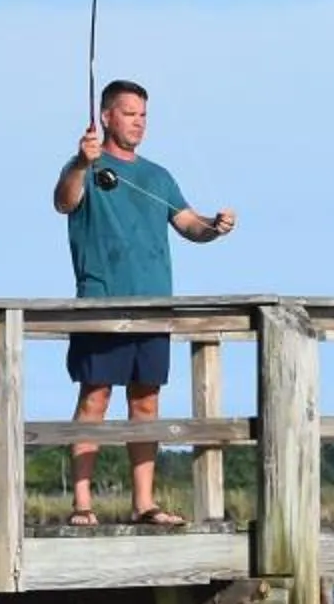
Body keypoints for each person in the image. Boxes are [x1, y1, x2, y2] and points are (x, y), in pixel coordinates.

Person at [52, 80, 235, 526]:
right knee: (95, 397)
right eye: (130, 113)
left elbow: (188, 223)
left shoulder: (159, 175)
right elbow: (64, 201)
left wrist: (214, 226)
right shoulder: (85, 167)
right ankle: (82, 504)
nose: (138, 122)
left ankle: (144, 504)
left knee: (146, 401)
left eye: (144, 115)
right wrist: (81, 160)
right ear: (107, 116)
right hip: (101, 303)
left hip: (155, 305)